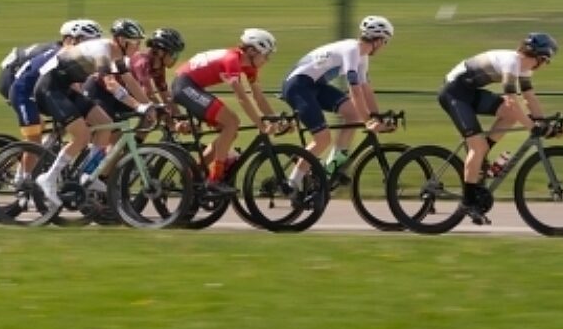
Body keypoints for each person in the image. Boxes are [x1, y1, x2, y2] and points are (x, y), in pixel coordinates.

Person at [32, 18, 155, 212]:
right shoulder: (102, 51)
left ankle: (88, 175)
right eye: (135, 41)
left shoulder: (117, 55)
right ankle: (48, 178)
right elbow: (110, 83)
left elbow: (128, 80)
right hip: (49, 89)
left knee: (106, 124)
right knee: (82, 135)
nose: (138, 46)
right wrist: (137, 107)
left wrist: (150, 106)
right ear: (122, 41)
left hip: (64, 89)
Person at [438, 32, 557, 222]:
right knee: (478, 147)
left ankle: (482, 156)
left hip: (468, 92)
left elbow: (529, 98)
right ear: (540, 58)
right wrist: (532, 126)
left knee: (509, 117)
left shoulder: (523, 68)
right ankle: (467, 203)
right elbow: (511, 101)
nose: (544, 65)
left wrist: (543, 122)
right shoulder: (511, 63)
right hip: (454, 94)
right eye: (546, 61)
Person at [280, 16, 395, 190]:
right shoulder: (351, 50)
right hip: (298, 86)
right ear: (378, 40)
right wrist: (368, 121)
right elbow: (354, 89)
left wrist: (376, 116)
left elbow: (366, 89)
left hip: (315, 86)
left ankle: (332, 165)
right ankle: (292, 183)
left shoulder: (362, 57)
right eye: (385, 42)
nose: (384, 46)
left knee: (353, 114)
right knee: (322, 138)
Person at [172, 28, 280, 189]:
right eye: (266, 54)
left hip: (193, 86)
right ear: (251, 51)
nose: (267, 59)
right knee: (232, 122)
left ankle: (194, 173)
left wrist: (274, 118)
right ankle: (215, 179)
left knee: (230, 131)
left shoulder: (250, 67)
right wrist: (261, 125)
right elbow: (242, 98)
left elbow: (259, 98)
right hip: (184, 86)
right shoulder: (232, 60)